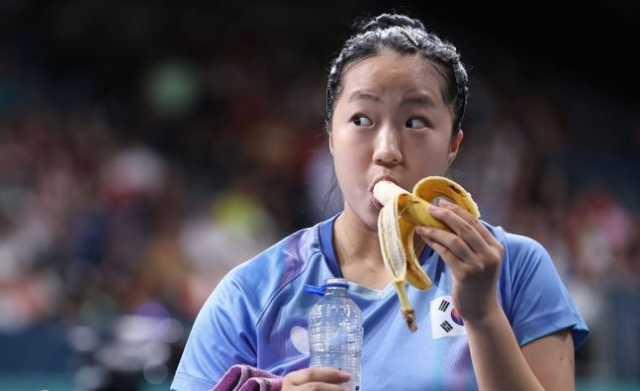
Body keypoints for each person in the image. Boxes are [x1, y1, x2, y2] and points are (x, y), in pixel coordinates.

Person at [171, 13, 589, 391]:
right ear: (331, 136)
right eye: (362, 120)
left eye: (415, 122)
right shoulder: (250, 295)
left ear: (453, 146)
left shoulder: (516, 269)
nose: (387, 150)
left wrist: (482, 315)